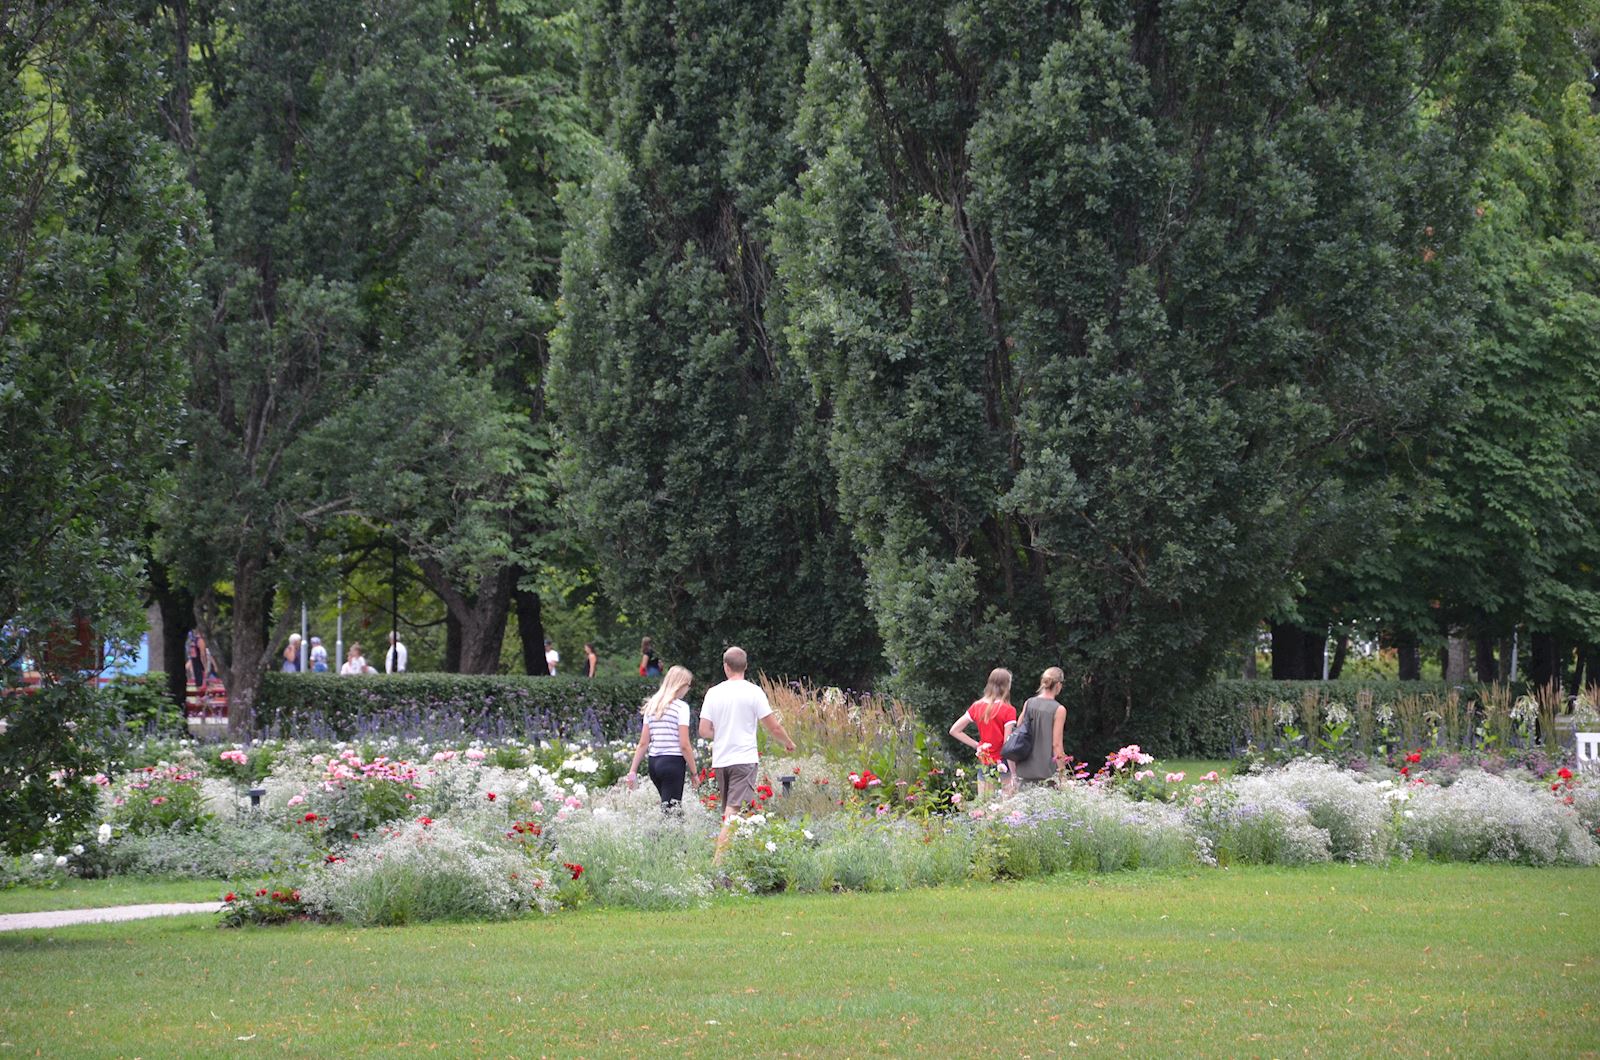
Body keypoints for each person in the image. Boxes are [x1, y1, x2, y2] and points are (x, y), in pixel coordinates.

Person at [699, 646, 795, 860]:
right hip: (743, 760)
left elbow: (704, 730)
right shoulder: (753, 691)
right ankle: (717, 864)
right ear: (746, 666)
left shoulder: (713, 693)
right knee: (732, 814)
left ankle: (738, 858)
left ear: (726, 667)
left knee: (732, 813)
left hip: (721, 760)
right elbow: (773, 726)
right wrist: (788, 742)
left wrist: (722, 732)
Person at [624, 665, 698, 809]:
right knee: (671, 812)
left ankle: (672, 831)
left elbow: (643, 742)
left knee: (670, 808)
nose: (688, 689)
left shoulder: (652, 706)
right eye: (688, 685)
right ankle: (657, 832)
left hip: (654, 762)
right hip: (673, 762)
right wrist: (694, 773)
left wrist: (633, 770)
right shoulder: (681, 707)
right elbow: (684, 745)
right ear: (680, 684)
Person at [948, 668, 1016, 796]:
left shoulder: (977, 706)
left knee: (985, 807)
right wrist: (1014, 773)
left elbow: (954, 730)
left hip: (985, 762)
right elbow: (1008, 744)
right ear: (1006, 686)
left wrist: (978, 745)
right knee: (1008, 808)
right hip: (1003, 763)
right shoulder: (1008, 710)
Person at [1011, 666, 1069, 786]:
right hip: (1046, 773)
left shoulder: (1029, 702)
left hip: (1024, 769)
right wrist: (1063, 775)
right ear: (1058, 685)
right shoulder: (1059, 709)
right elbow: (1056, 744)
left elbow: (1018, 727)